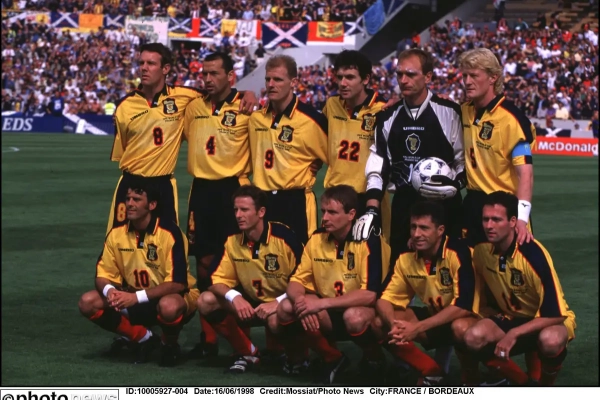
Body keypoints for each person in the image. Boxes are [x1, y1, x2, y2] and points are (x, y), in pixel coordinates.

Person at [108, 43, 257, 235]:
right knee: (121, 242)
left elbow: (222, 93)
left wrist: (248, 93)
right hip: (130, 183)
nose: (144, 68)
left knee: (167, 244)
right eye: (141, 63)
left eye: (150, 63)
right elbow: (122, 151)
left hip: (163, 185)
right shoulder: (124, 106)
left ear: (165, 69)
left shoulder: (184, 97)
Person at [358, 48, 465, 264]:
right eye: (399, 74)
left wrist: (455, 184)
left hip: (444, 206)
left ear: (428, 77)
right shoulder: (387, 116)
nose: (403, 80)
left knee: (448, 272)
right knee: (401, 273)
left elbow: (462, 161)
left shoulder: (451, 112)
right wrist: (371, 210)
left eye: (410, 74)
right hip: (404, 207)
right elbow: (378, 167)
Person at [78, 179, 200, 367]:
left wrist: (136, 297)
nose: (130, 203)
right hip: (131, 296)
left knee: (169, 306)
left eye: (137, 199)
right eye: (128, 199)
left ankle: (169, 344)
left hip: (171, 296)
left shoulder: (170, 233)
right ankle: (144, 338)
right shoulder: (116, 234)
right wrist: (110, 291)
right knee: (88, 302)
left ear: (152, 205)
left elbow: (177, 283)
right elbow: (102, 276)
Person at [277, 185, 391, 384]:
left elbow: (370, 295)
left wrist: (320, 304)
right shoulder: (316, 238)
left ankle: (375, 359)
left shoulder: (369, 240)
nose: (325, 218)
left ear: (351, 214)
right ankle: (332, 358)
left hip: (366, 312)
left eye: (332, 212)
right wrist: (302, 302)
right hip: (329, 312)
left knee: (353, 317)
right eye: (323, 212)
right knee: (287, 307)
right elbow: (296, 281)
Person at [464, 191, 576, 386]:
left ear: (513, 222)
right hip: (510, 317)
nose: (489, 226)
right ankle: (524, 385)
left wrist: (514, 333)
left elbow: (556, 314)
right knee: (473, 337)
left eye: (496, 219)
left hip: (545, 320)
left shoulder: (533, 254)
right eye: (485, 219)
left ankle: (546, 386)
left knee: (550, 340)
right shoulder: (481, 251)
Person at [183, 52, 253, 359]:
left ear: (230, 76)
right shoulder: (194, 106)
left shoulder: (247, 107)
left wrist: (250, 93)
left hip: (232, 190)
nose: (208, 79)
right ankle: (209, 340)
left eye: (214, 73)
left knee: (240, 263)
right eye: (204, 73)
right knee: (203, 263)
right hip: (201, 190)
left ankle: (244, 342)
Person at [197, 185, 304, 374]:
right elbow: (214, 279)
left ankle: (296, 357)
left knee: (277, 319)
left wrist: (278, 302)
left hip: (282, 304)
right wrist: (235, 297)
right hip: (250, 303)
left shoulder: (285, 238)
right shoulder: (232, 240)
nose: (238, 215)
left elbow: (305, 280)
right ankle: (248, 352)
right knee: (206, 300)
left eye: (244, 210)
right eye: (236, 210)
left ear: (261, 212)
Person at [373, 201, 478, 386]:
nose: (416, 234)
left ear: (440, 230)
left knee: (460, 327)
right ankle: (432, 371)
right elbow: (384, 299)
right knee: (379, 322)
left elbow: (463, 306)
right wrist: (393, 325)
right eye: (413, 227)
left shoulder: (459, 252)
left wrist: (418, 327)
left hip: (469, 319)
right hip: (434, 315)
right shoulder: (406, 256)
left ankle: (472, 378)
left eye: (424, 228)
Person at [458, 48, 536, 247]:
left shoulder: (511, 119)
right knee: (471, 265)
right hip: (472, 204)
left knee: (507, 266)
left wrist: (521, 219)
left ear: (493, 77)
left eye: (474, 75)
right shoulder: (463, 111)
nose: (467, 81)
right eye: (465, 76)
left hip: (503, 208)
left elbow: (525, 174)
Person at [248, 55, 328, 244]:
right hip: (262, 200)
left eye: (278, 79)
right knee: (263, 257)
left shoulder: (311, 120)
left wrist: (317, 162)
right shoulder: (256, 118)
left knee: (300, 258)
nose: (271, 84)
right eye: (268, 79)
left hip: (295, 201)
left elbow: (335, 156)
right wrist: (246, 92)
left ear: (293, 82)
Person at [322, 50, 392, 242]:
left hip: (367, 196)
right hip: (335, 196)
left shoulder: (382, 109)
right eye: (340, 77)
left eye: (350, 77)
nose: (343, 83)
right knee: (333, 255)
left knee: (370, 255)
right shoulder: (332, 105)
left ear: (366, 79)